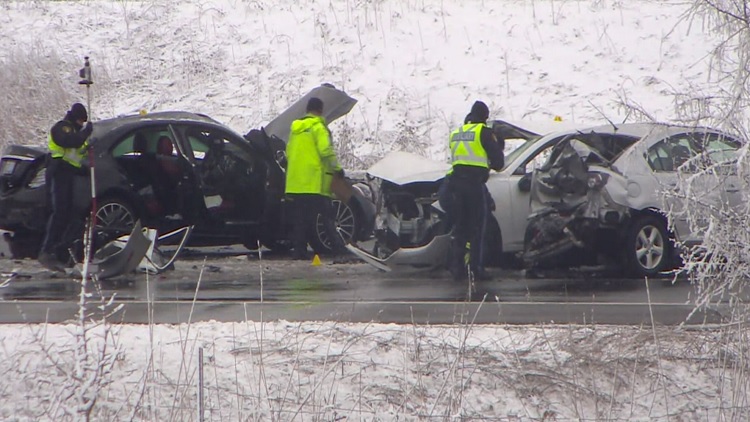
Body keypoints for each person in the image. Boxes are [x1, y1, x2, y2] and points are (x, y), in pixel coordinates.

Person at [442, 100, 504, 281]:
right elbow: (499, 163)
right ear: (485, 117)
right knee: (478, 228)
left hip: (455, 185)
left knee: (461, 227)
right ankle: (476, 269)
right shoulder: (483, 133)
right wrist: (497, 144)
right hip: (474, 186)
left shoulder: (457, 132)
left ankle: (457, 267)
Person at [285, 97, 347, 260]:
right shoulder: (318, 128)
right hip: (313, 183)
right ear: (320, 110)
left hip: (295, 184)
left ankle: (299, 251)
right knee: (327, 217)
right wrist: (337, 169)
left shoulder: (295, 130)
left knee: (300, 220)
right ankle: (339, 250)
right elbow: (326, 151)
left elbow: (289, 153)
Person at [38, 102, 93, 272]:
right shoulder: (62, 128)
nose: (82, 124)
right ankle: (47, 251)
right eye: (81, 121)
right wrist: (85, 133)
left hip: (69, 173)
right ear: (76, 118)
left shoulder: (76, 131)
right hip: (58, 171)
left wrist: (89, 147)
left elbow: (79, 151)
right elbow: (70, 142)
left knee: (68, 213)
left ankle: (60, 251)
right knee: (59, 211)